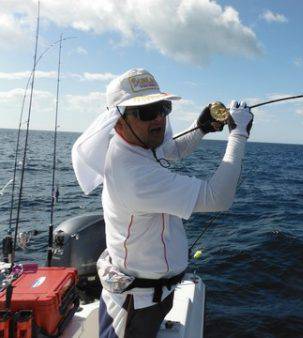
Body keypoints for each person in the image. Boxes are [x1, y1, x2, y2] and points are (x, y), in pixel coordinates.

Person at [71, 68, 253, 337]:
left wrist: (199, 128)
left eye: (162, 107)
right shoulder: (134, 176)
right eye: (146, 112)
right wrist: (238, 136)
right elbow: (218, 197)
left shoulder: (135, 145)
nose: (159, 117)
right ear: (118, 122)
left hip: (152, 295)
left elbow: (172, 149)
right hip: (137, 306)